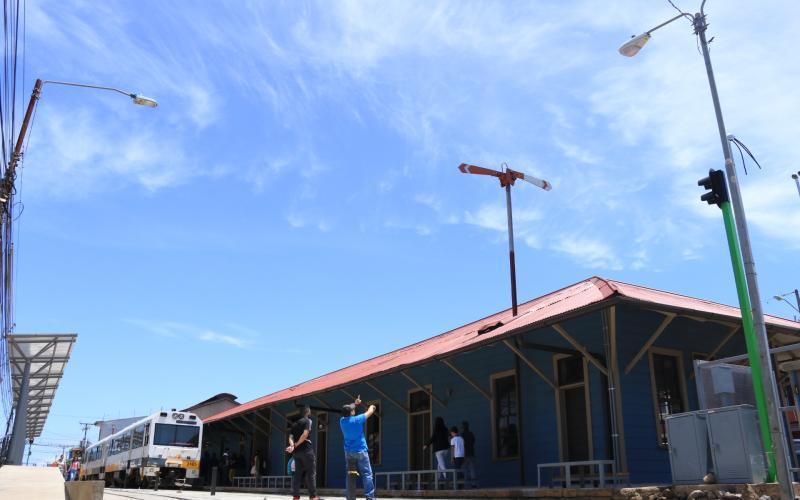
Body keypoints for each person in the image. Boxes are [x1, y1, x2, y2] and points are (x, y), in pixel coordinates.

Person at [339, 395, 376, 500]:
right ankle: (370, 497)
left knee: (350, 475)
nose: (353, 410)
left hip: (349, 453)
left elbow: (348, 410)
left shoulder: (342, 421)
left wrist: (355, 403)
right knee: (367, 474)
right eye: (352, 410)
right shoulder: (357, 420)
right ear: (351, 412)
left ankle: (350, 498)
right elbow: (369, 412)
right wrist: (372, 406)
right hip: (361, 452)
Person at [286, 406, 322, 500]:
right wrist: (296, 445)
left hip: (297, 454)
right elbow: (305, 434)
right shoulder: (307, 421)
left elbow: (290, 437)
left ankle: (296, 496)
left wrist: (293, 446)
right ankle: (313, 496)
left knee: (297, 474)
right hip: (306, 450)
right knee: (311, 473)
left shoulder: (294, 425)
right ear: (308, 412)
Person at [461, 421, 478, 488]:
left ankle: (465, 484)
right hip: (471, 453)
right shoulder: (471, 434)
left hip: (465, 454)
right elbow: (473, 441)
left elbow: (462, 445)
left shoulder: (462, 435)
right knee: (472, 469)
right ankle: (473, 484)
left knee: (464, 469)